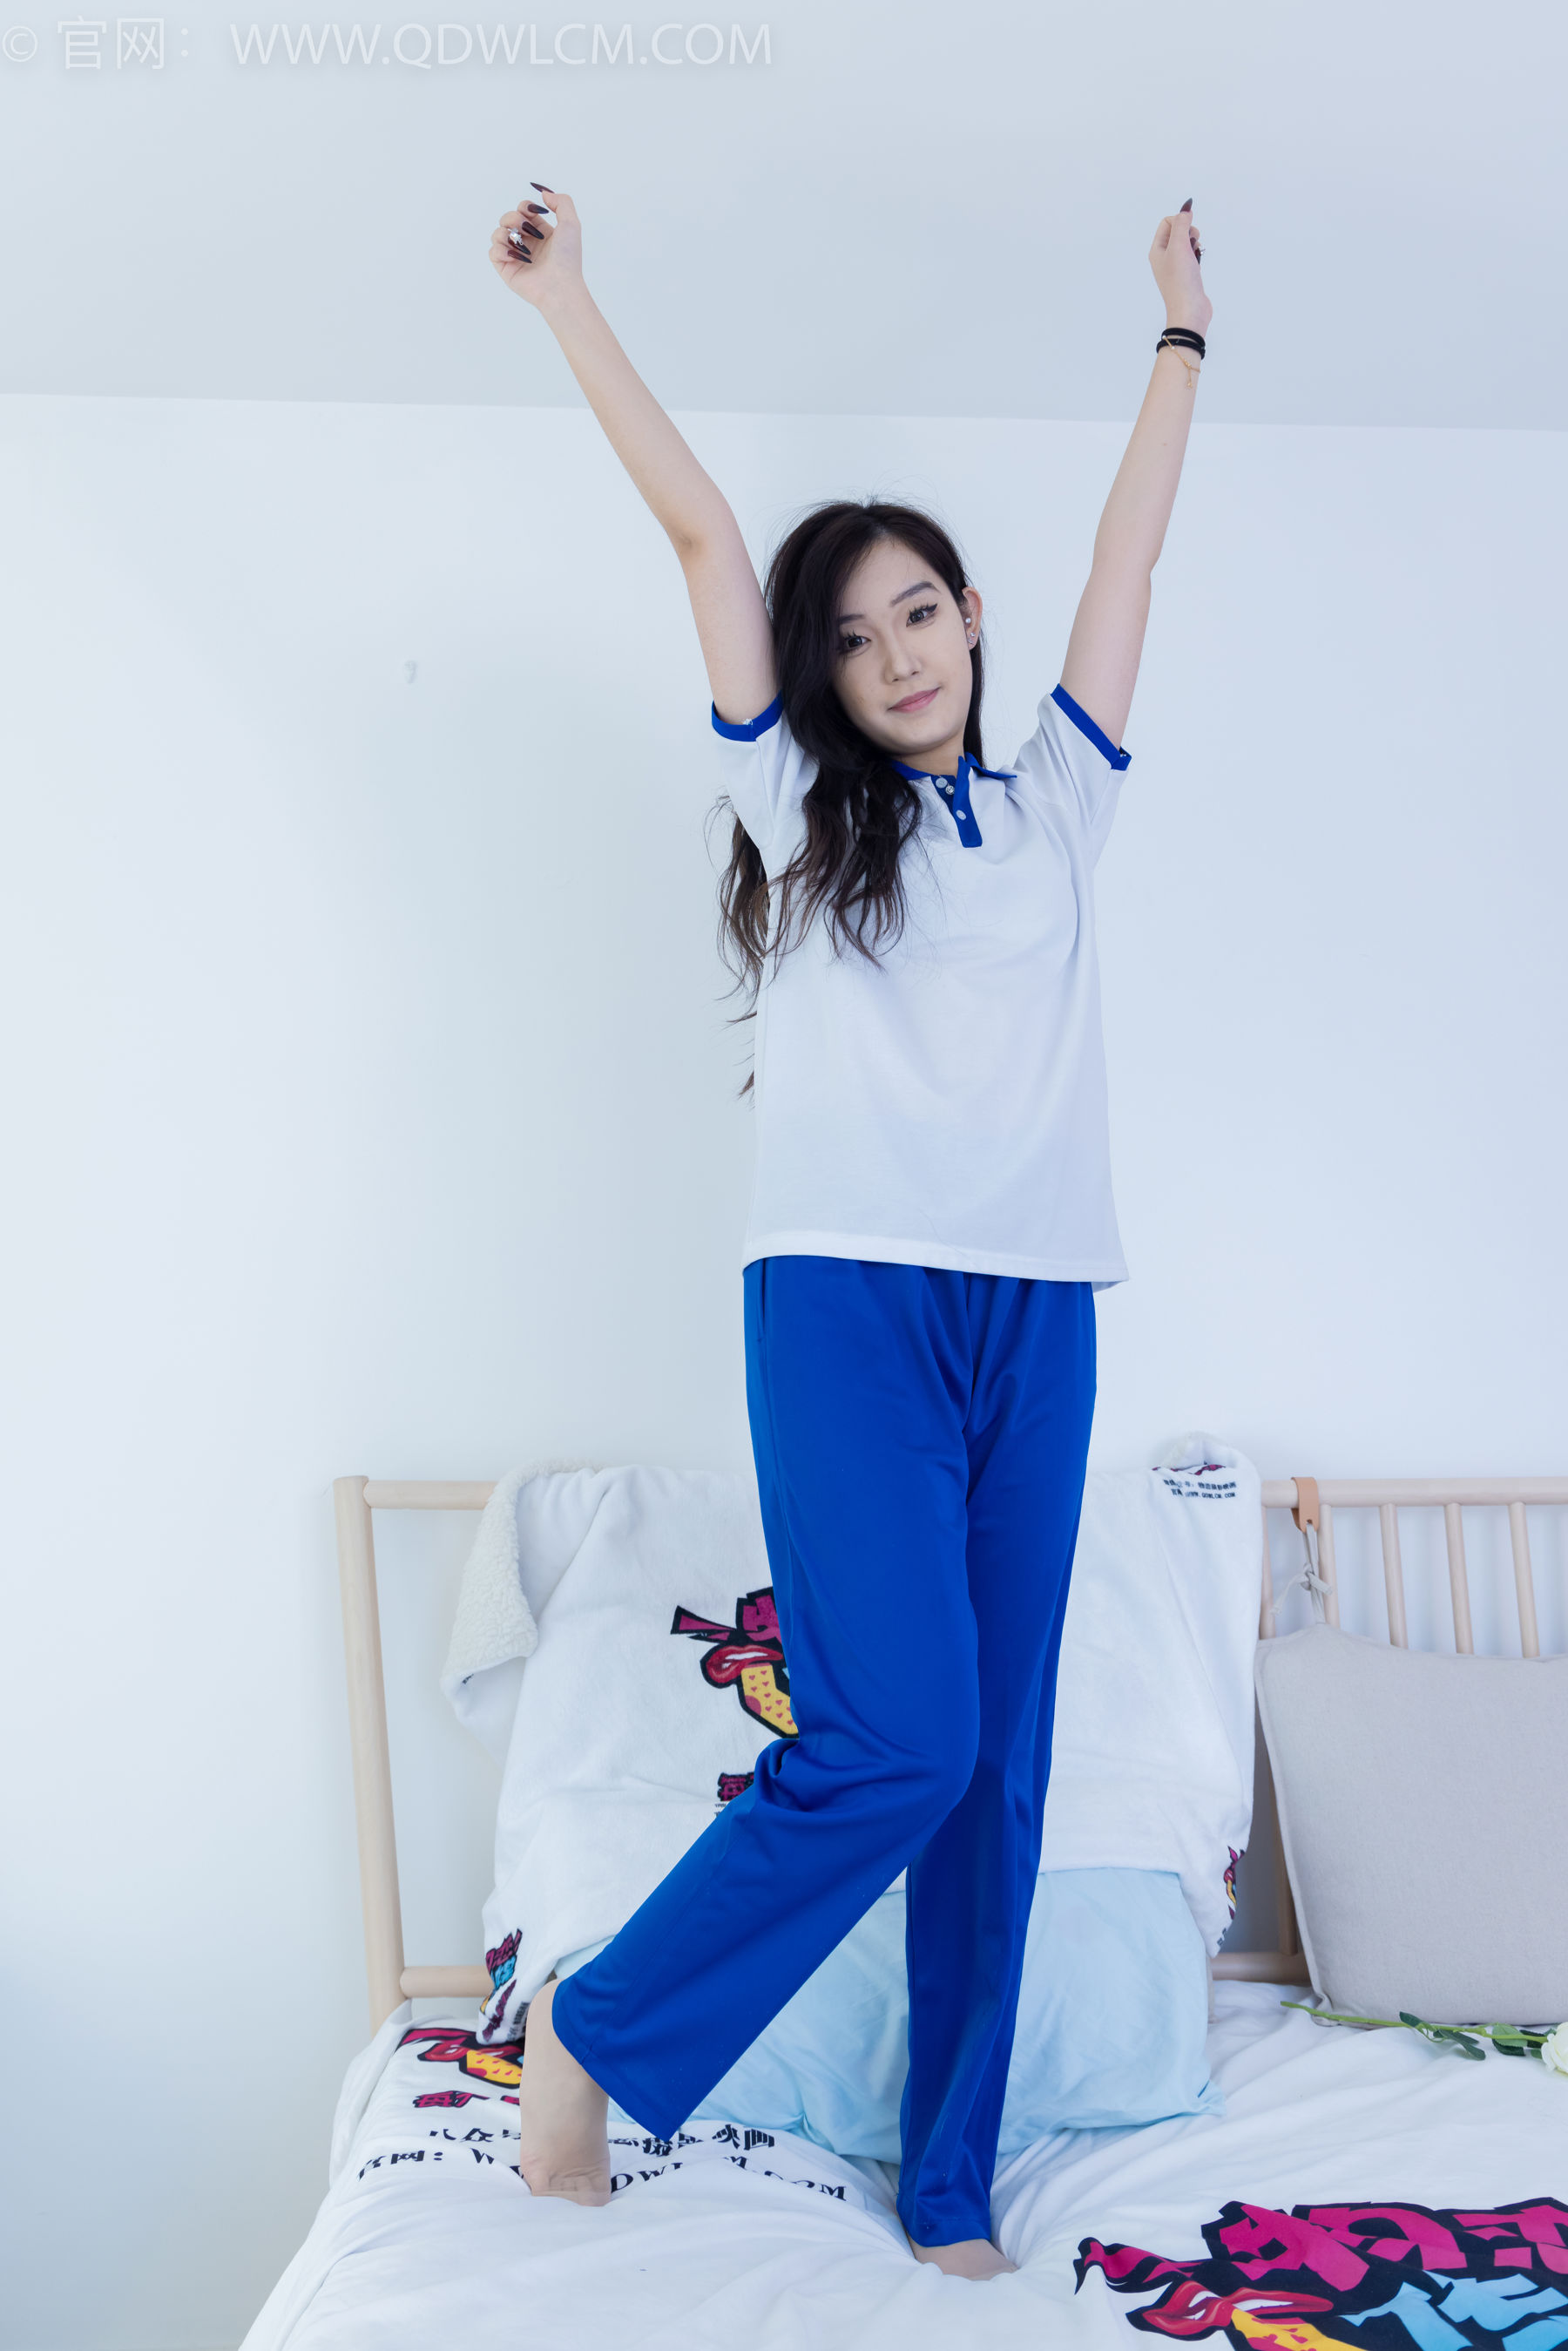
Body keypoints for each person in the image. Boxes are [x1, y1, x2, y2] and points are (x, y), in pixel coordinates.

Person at [486, 183, 1210, 2280]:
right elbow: (707, 541)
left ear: (969, 615)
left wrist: (1179, 333)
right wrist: (570, 302)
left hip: (1040, 1313)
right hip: (846, 1308)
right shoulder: (806, 814)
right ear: (823, 673)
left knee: (994, 1762)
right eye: (856, 636)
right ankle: (600, 2026)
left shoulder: (1059, 801)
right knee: (898, 1735)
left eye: (919, 614)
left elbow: (1132, 557)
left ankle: (951, 2180)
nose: (894, 655)